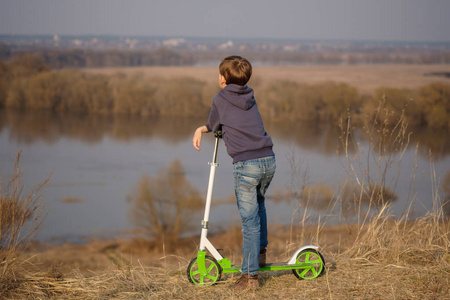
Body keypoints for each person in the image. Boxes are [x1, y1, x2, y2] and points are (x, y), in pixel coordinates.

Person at [192, 55, 276, 290]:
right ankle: (259, 257)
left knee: (249, 222)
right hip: (268, 159)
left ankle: (250, 278)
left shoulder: (220, 98)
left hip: (247, 164)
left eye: (220, 73)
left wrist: (202, 128)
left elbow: (215, 123)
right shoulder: (250, 95)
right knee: (259, 206)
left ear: (223, 78)